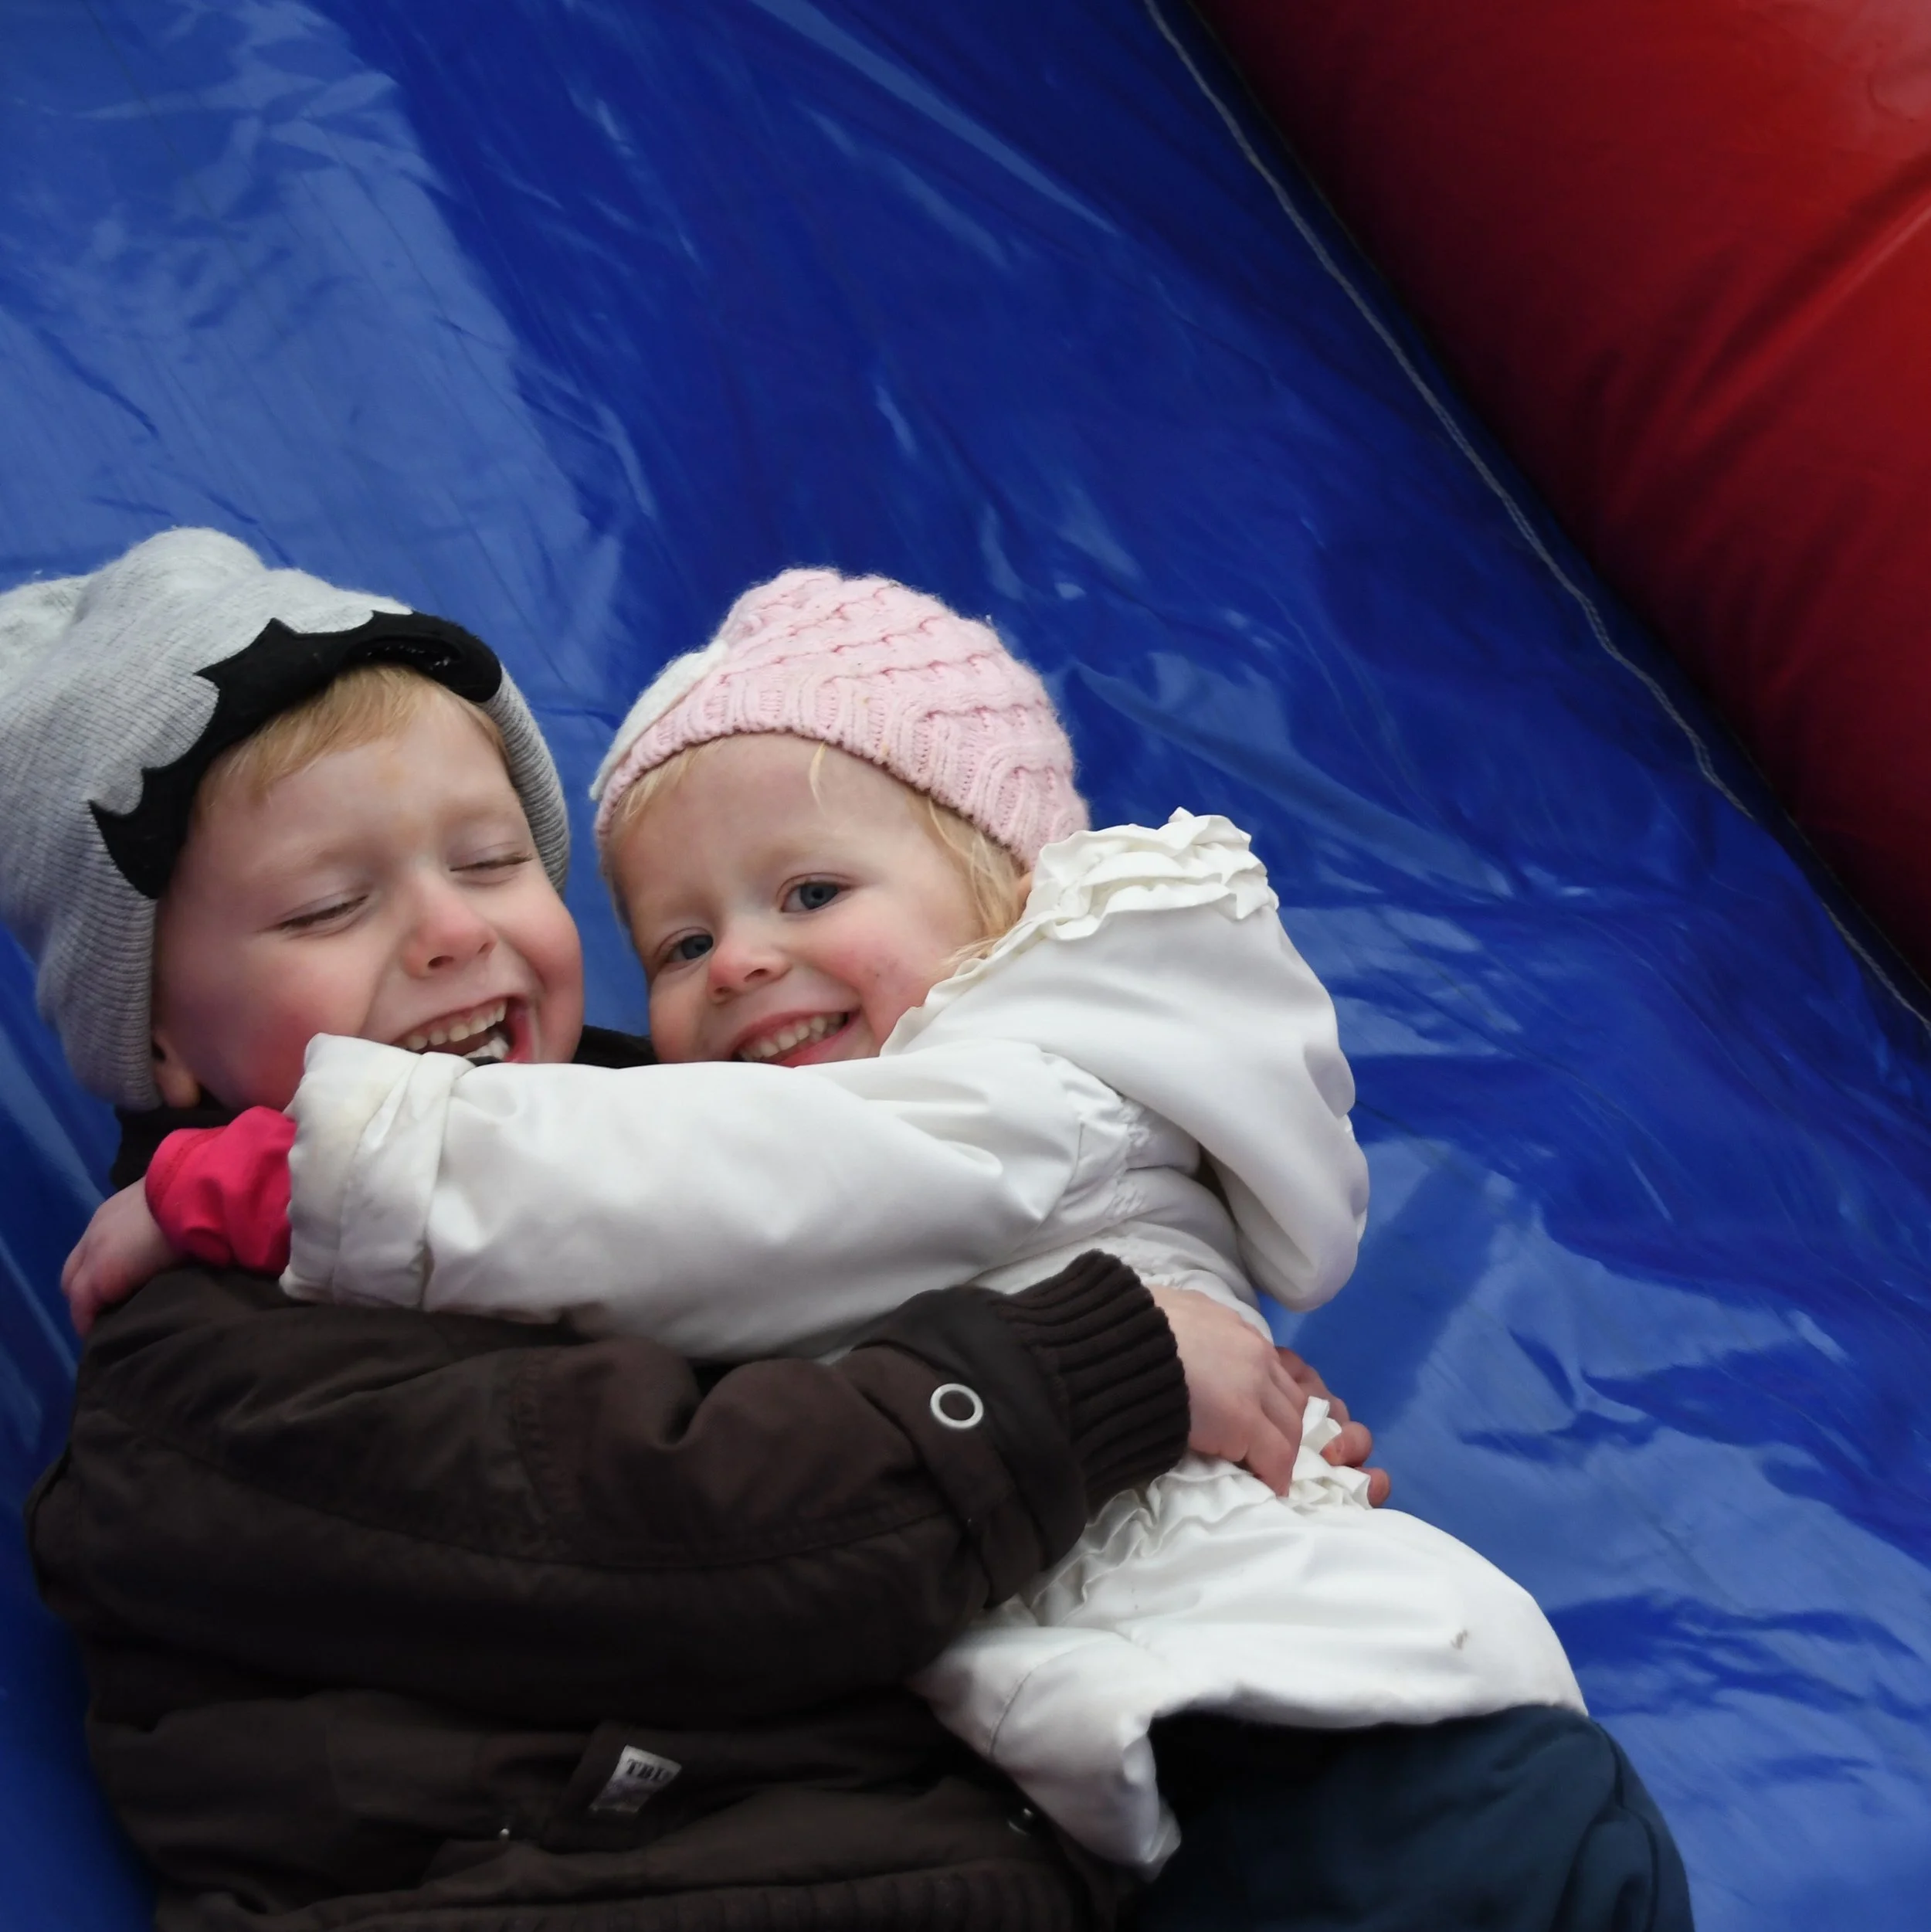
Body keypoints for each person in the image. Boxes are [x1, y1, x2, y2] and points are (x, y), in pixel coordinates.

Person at [17, 531, 1690, 1930]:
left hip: (985, 1836)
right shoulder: (203, 1360)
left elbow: (822, 1211)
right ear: (158, 1034)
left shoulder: (703, 1131)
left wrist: (1200, 1408)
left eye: (492, 856)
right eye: (331, 903)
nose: (453, 930)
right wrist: (1109, 1365)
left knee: (1501, 1834)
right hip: (624, 1883)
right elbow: (680, 1535)